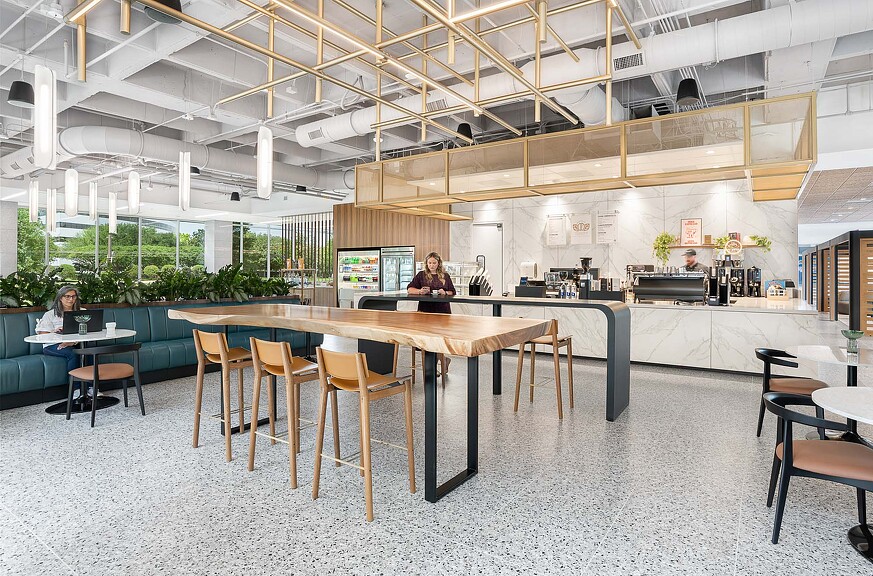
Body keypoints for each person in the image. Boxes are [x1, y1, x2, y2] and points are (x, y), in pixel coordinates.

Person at [407, 252, 455, 373]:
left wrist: (445, 292)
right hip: (425, 311)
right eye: (429, 263)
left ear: (438, 263)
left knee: (438, 338)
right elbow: (409, 289)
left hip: (442, 311)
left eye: (434, 263)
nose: (432, 265)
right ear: (426, 263)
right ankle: (439, 363)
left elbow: (452, 292)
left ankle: (434, 367)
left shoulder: (445, 276)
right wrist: (420, 291)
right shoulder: (421, 275)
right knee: (426, 339)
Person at [36, 285, 83, 378]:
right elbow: (42, 334)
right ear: (60, 298)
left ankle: (91, 387)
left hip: (76, 343)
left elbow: (88, 331)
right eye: (67, 296)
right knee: (73, 353)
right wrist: (55, 332)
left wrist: (71, 342)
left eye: (73, 296)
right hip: (52, 345)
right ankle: (75, 389)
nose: (71, 299)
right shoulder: (50, 314)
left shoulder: (82, 312)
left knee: (90, 350)